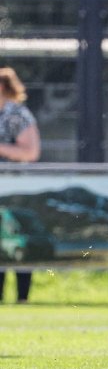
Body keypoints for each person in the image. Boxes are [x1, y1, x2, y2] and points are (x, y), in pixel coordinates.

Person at [0, 67, 41, 304]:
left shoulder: (17, 115)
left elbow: (31, 152)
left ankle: (22, 297)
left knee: (19, 240)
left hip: (16, 191)